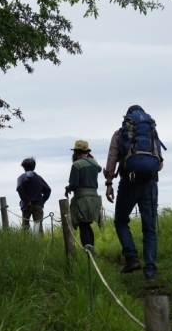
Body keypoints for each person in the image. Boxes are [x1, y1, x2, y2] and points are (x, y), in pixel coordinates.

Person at [104, 105, 164, 280]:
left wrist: (109, 183)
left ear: (127, 118)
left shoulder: (120, 133)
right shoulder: (152, 132)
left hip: (128, 182)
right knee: (150, 229)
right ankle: (151, 271)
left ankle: (131, 257)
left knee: (121, 221)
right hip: (150, 183)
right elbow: (159, 161)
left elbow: (112, 158)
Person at [65, 140, 103, 249]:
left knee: (83, 224)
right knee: (87, 223)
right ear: (87, 151)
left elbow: (74, 184)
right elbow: (99, 169)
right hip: (94, 198)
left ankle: (87, 249)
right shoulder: (94, 162)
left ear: (76, 152)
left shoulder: (76, 165)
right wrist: (90, 158)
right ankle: (92, 248)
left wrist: (67, 189)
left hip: (81, 198)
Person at [16, 157, 52, 235]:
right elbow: (48, 190)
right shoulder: (38, 178)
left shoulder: (21, 178)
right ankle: (39, 244)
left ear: (24, 167)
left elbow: (19, 187)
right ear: (33, 167)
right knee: (38, 227)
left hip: (26, 205)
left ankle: (26, 243)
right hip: (38, 205)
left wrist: (26, 200)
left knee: (25, 226)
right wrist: (42, 201)